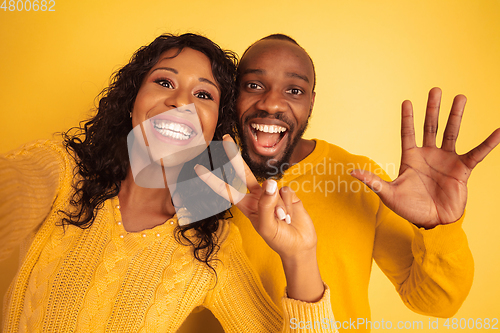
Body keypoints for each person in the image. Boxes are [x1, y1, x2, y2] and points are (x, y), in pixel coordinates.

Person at [0, 33, 338, 332]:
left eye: (204, 94)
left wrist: (300, 255)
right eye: (164, 82)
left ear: (215, 128)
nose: (181, 102)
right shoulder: (64, 171)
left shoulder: (211, 246)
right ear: (133, 98)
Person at [196, 34, 500, 332]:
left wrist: (440, 227)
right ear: (233, 94)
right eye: (254, 85)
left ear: (311, 102)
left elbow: (436, 303)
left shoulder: (358, 177)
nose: (272, 103)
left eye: (295, 90)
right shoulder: (199, 174)